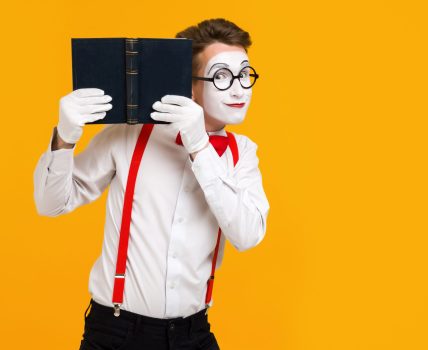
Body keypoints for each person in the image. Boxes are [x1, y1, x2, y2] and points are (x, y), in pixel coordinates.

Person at [33, 18, 269, 350]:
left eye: (244, 75)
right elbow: (50, 203)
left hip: (193, 335)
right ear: (188, 83)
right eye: (221, 76)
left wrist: (199, 146)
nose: (238, 89)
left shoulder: (241, 154)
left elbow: (247, 235)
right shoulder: (129, 135)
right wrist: (65, 138)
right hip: (116, 333)